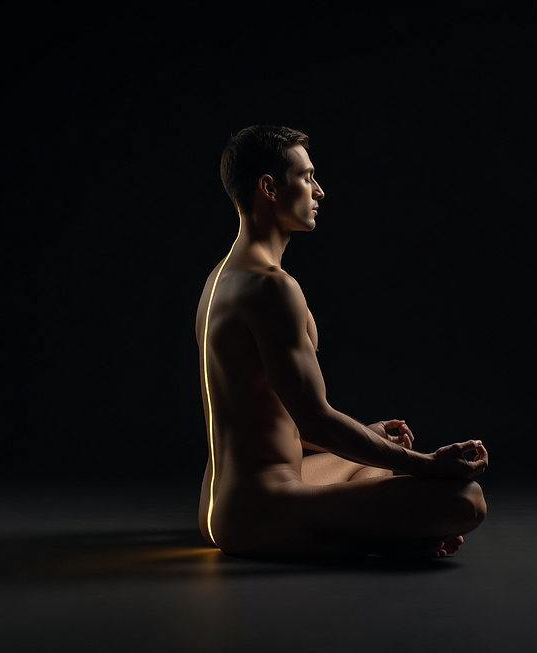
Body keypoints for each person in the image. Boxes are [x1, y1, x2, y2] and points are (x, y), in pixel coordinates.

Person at [196, 125, 488, 559]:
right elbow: (314, 419)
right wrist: (430, 464)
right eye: (307, 177)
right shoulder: (271, 288)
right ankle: (383, 539)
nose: (319, 191)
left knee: (378, 456)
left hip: (222, 501)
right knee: (466, 499)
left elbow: (271, 413)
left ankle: (384, 533)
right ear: (270, 187)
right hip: (257, 511)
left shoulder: (221, 278)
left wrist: (373, 440)